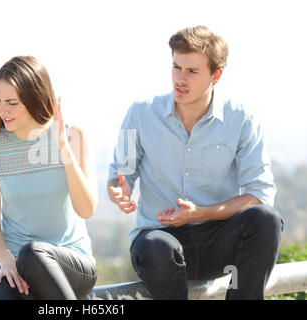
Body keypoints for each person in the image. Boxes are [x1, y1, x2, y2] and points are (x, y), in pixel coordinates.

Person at [107, 26, 284, 300]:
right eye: (176, 67)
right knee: (156, 246)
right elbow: (119, 177)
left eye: (192, 71)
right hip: (160, 240)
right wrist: (119, 192)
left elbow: (260, 196)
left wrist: (200, 213)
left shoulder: (241, 119)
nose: (180, 78)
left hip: (219, 240)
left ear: (217, 75)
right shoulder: (141, 114)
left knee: (266, 219)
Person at [0, 56, 98, 300]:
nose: (2, 110)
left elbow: (86, 209)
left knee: (33, 254)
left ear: (35, 98)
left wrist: (63, 148)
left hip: (70, 262)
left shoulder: (73, 136)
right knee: (2, 288)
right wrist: (5, 259)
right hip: (12, 258)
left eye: (12, 102)